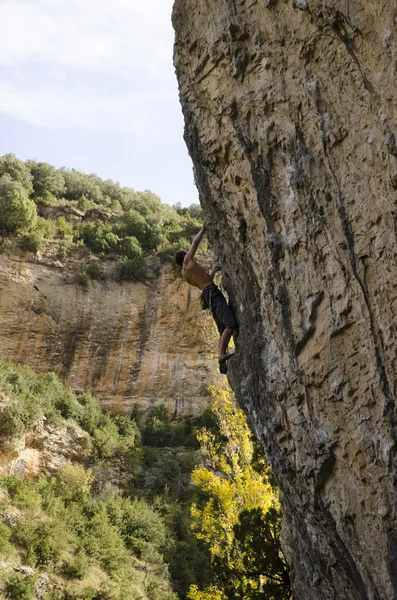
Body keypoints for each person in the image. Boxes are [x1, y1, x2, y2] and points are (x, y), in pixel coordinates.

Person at [174, 224, 238, 374]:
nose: (190, 253)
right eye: (187, 253)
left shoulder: (185, 274)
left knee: (222, 328)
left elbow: (204, 282)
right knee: (230, 323)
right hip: (212, 294)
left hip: (207, 294)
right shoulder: (187, 261)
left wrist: (214, 270)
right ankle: (221, 355)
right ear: (184, 256)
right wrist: (203, 230)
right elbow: (195, 243)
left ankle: (222, 354)